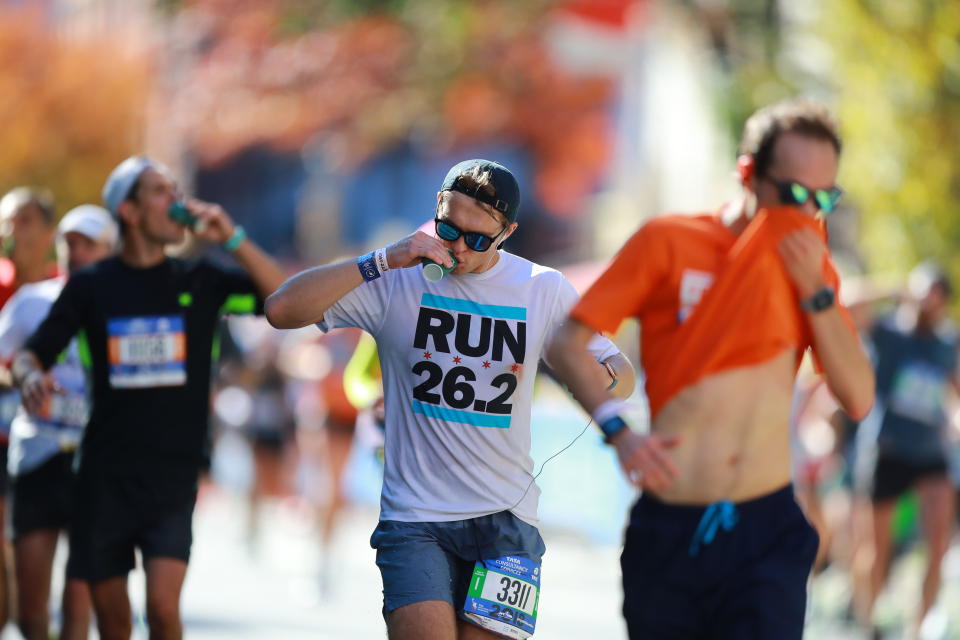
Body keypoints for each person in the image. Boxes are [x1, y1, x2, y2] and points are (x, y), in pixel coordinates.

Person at [265, 158, 635, 640]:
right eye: (449, 229)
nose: (459, 248)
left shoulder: (541, 289)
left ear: (507, 233)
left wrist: (598, 378)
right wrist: (380, 259)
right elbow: (280, 310)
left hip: (507, 522)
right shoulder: (395, 278)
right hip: (415, 519)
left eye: (478, 239)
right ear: (437, 210)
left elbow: (619, 373)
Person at [546, 98, 875, 639]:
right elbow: (567, 342)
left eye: (825, 199)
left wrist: (815, 291)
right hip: (671, 525)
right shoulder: (669, 241)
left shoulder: (812, 268)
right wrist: (617, 431)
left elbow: (858, 395)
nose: (807, 212)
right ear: (747, 173)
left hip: (765, 527)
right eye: (793, 193)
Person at [12, 155, 286, 640]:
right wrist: (31, 377)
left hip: (173, 479)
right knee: (114, 624)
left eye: (175, 189)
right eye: (161, 191)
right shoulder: (92, 286)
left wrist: (233, 238)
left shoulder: (201, 280)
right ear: (130, 212)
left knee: (162, 609)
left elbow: (285, 301)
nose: (176, 201)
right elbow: (33, 354)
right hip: (103, 479)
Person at [0, 204, 118, 639]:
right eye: (70, 242)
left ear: (109, 250)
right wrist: (25, 377)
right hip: (37, 455)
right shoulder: (33, 301)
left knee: (77, 610)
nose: (77, 251)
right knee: (30, 612)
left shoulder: (123, 306)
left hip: (97, 464)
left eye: (89, 243)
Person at [851, 263, 958, 639]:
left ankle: (918, 629)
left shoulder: (948, 342)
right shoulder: (888, 332)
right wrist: (894, 286)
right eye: (923, 294)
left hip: (931, 455)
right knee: (878, 549)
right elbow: (845, 303)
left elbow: (953, 389)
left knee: (939, 544)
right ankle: (870, 621)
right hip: (887, 452)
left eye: (936, 297)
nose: (929, 303)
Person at [0, 186, 59, 632]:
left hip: (56, 442)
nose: (10, 231)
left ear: (48, 229)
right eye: (6, 221)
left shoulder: (69, 286)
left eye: (22, 220)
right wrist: (18, 374)